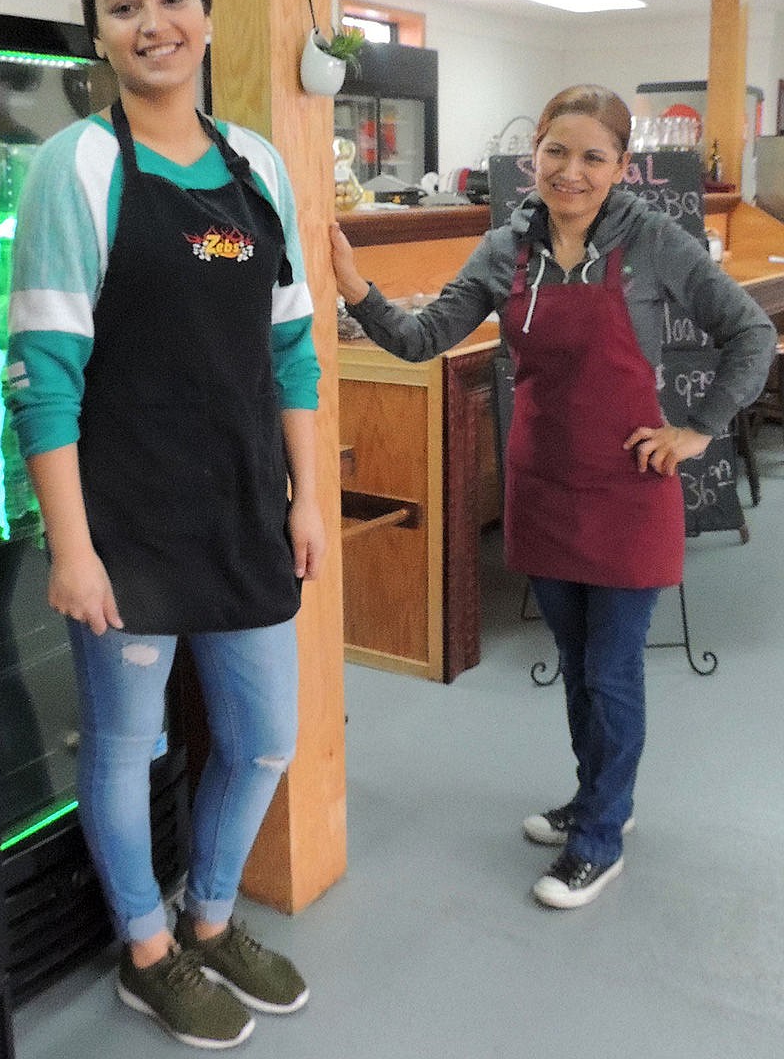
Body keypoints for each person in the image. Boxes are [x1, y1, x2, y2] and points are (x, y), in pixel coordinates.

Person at [331, 84, 774, 911]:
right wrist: (357, 287)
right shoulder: (504, 251)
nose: (572, 172)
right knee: (576, 666)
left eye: (593, 156)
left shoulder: (653, 242)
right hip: (543, 485)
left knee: (611, 671)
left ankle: (601, 838)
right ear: (534, 152)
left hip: (629, 488)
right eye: (557, 152)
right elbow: (426, 339)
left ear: (620, 166)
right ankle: (596, 799)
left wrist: (701, 428)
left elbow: (750, 333)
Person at [6, 0, 325, 1049]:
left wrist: (306, 495)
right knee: (127, 746)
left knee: (264, 740)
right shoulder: (77, 167)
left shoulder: (257, 166)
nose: (155, 23)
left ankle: (210, 917)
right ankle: (146, 948)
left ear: (205, 14)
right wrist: (73, 548)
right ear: (99, 35)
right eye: (125, 6)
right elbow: (41, 378)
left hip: (243, 512)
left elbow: (289, 347)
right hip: (128, 525)